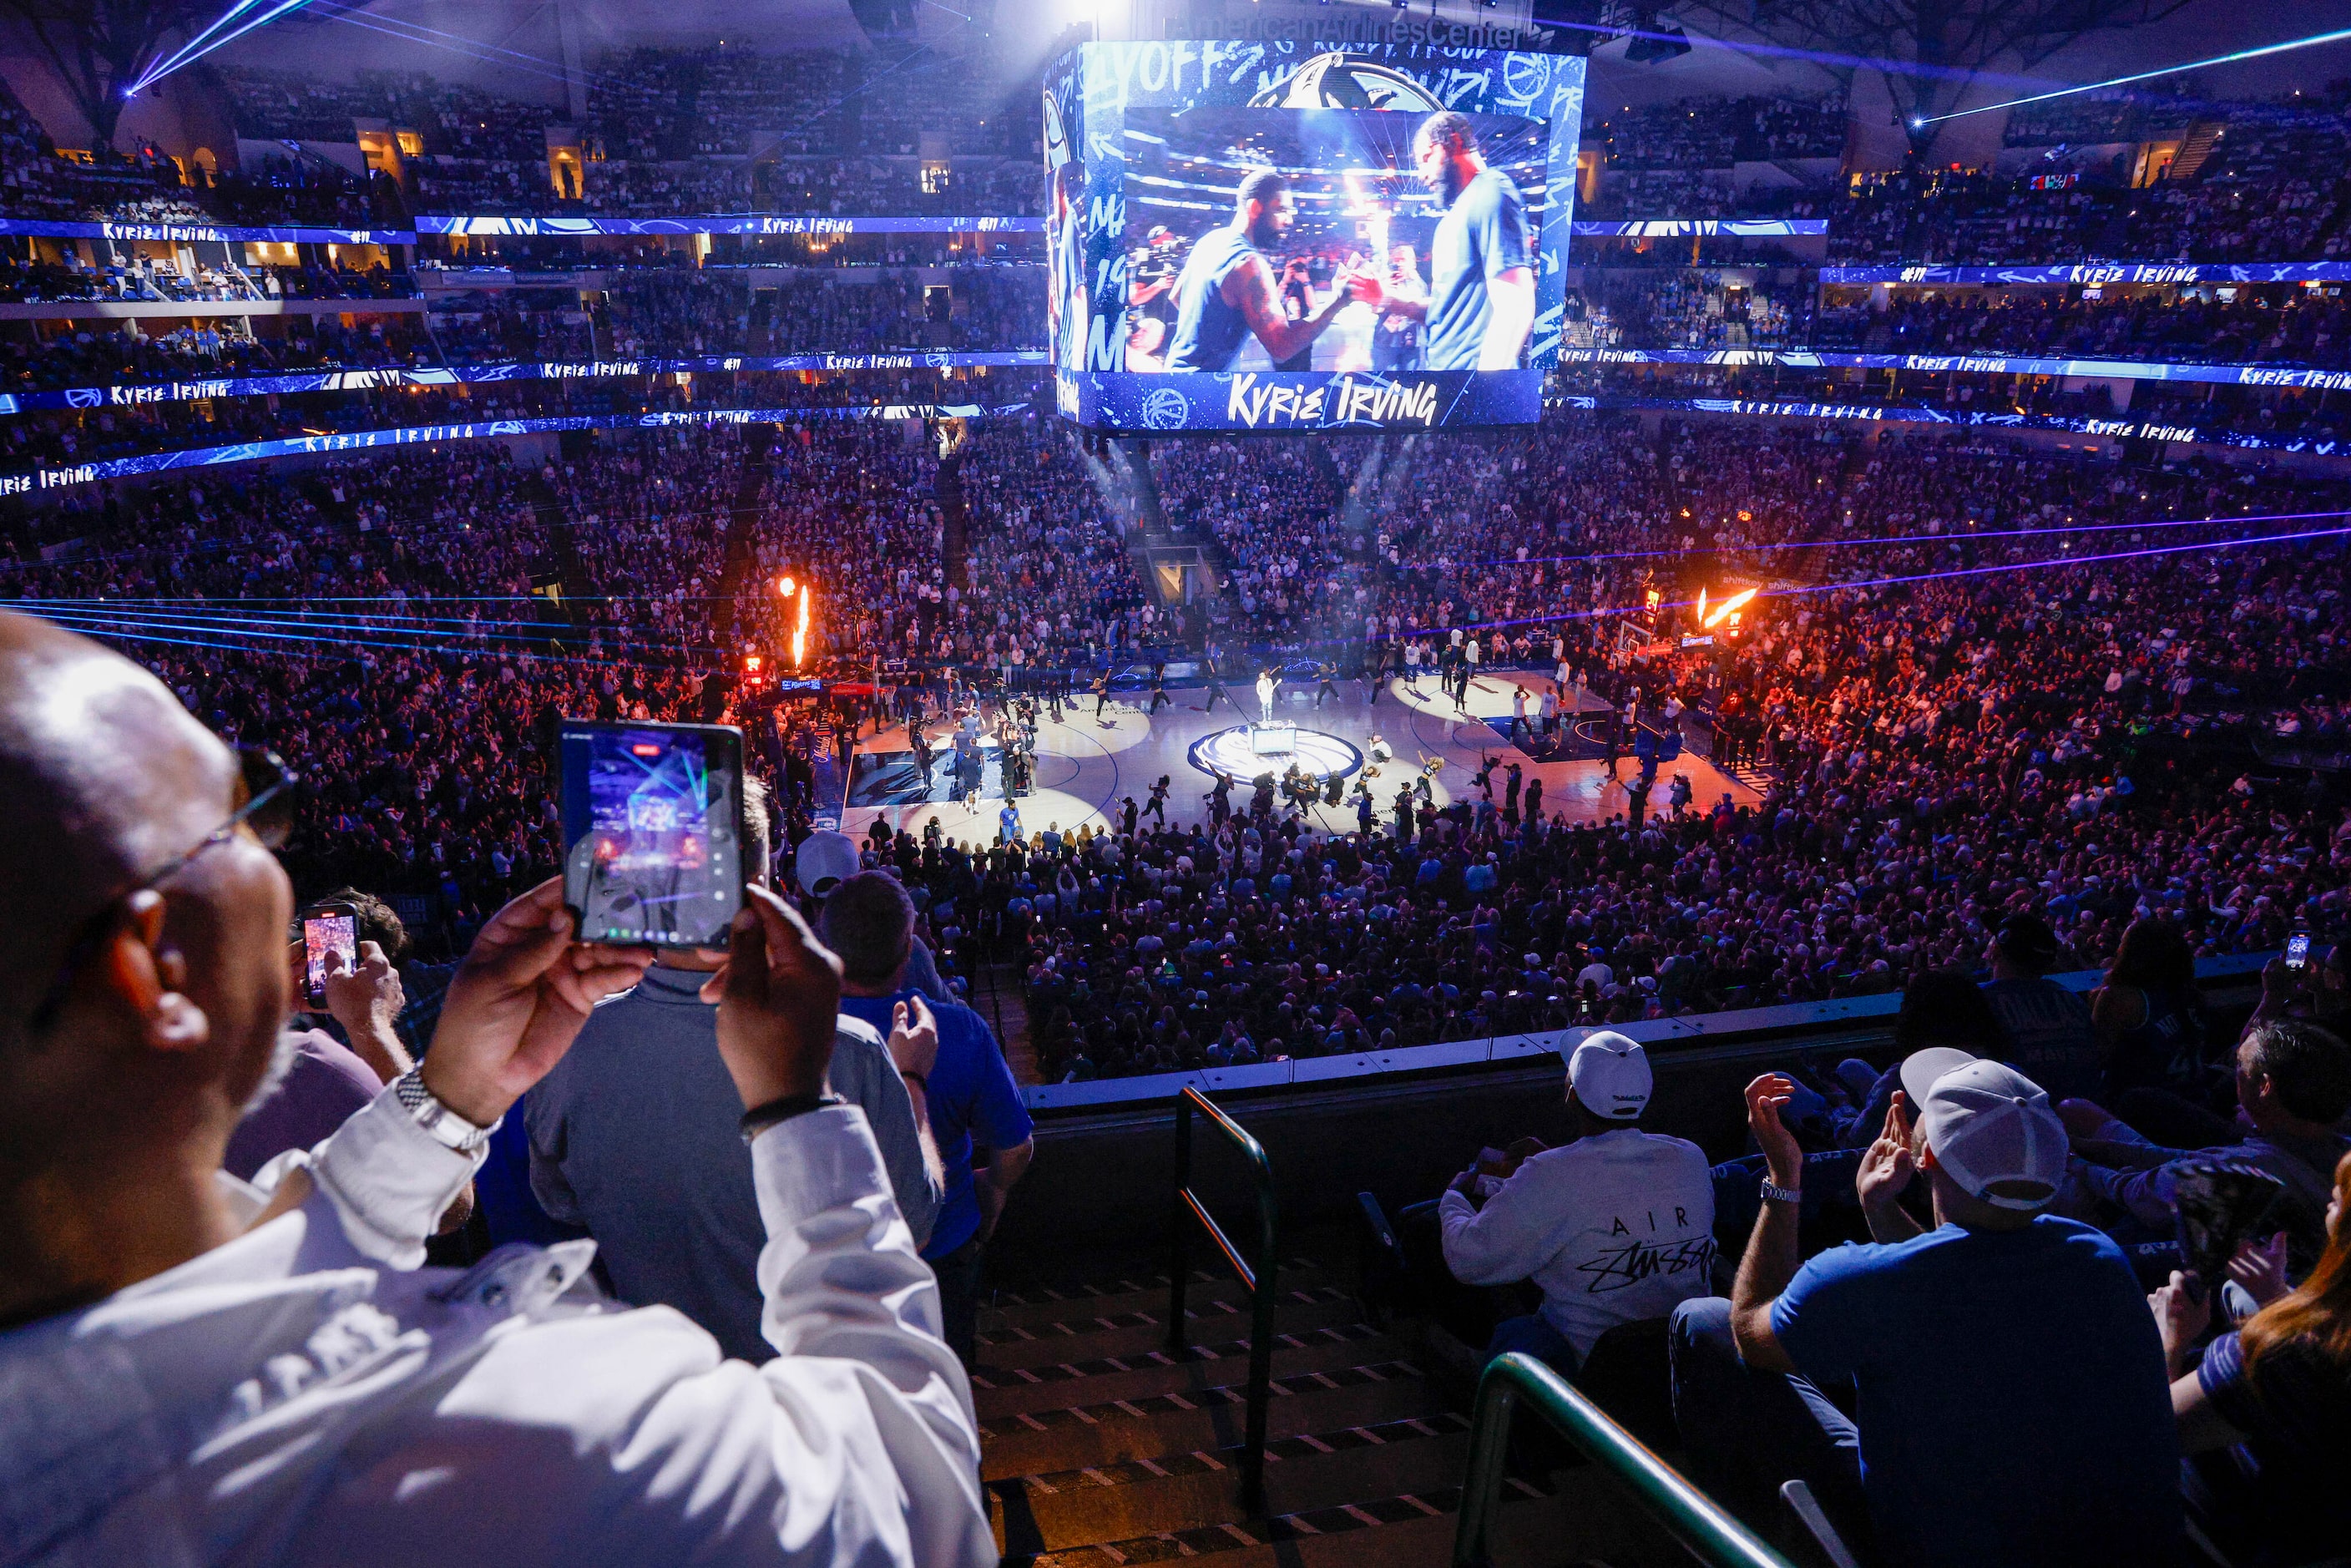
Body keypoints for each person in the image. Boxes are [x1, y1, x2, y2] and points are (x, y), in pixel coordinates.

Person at [0, 611, 993, 1565]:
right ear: (152, 973)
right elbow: (915, 1505)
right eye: (247, 803)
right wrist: (794, 1113)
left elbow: (276, 1269)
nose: (281, 849)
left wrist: (450, 1098)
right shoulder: (538, 1438)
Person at [1671, 1056, 2183, 1566]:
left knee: (1704, 1320)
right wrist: (1879, 1209)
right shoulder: (2097, 1258)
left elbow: (1749, 1331)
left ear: (1927, 1158)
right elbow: (1968, 1288)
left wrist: (1784, 1179)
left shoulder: (1857, 1281)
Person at [528, 781, 945, 1365]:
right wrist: (914, 1083)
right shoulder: (852, 1051)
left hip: (665, 1401)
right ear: (764, 886)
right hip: (817, 1398)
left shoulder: (562, 1051)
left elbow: (562, 1206)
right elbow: (917, 1229)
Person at [822, 871, 1034, 1366]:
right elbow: (1016, 1147)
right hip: (945, 1241)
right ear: (906, 959)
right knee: (947, 1363)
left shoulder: (791, 1033)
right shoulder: (960, 1032)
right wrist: (994, 1191)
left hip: (839, 1255)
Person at [1437, 1034, 1713, 1373]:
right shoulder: (1690, 1159)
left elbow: (1469, 1259)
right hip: (1683, 1364)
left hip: (1590, 1371)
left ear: (1570, 1095)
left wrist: (1455, 1195)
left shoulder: (1550, 1175)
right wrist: (1554, 1161)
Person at [2154, 1149, 2351, 1566]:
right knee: (2238, 1296)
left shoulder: (2284, 1357)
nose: (2332, 1197)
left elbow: (2146, 1440)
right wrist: (2276, 1299)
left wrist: (2169, 1342)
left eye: (2342, 1197)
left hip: (2287, 1540)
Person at [1342, 112, 1534, 372]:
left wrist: (1482, 393)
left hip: (1468, 386)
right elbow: (1443, 310)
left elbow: (1515, 305)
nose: (1421, 174)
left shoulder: (1491, 192)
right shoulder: (1453, 218)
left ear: (1452, 141)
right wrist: (1384, 297)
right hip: (1444, 376)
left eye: (1425, 159)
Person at [1164, 169, 1361, 373]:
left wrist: (1214, 330)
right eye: (1282, 210)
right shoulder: (1249, 264)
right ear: (1255, 207)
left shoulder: (1209, 241)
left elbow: (1177, 296)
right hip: (1205, 389)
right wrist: (1339, 299)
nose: (1289, 220)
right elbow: (1282, 347)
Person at [1980, 913, 2101, 1099]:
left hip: (2018, 1111)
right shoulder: (2070, 998)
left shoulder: (1978, 998)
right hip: (2086, 1108)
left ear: (1995, 951)